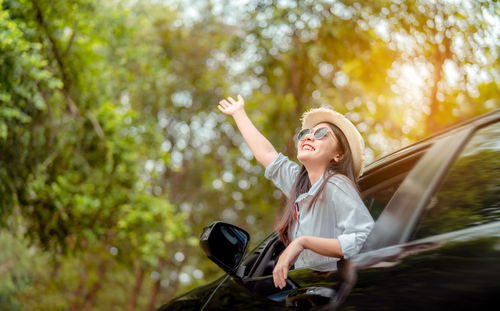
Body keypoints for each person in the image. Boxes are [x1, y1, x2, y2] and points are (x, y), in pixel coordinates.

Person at [217, 95, 374, 289]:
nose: (308, 136)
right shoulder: (301, 183)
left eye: (322, 133)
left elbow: (365, 239)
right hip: (310, 289)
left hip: (337, 289)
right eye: (306, 133)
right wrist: (239, 113)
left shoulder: (337, 183)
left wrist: (303, 242)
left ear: (338, 155)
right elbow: (266, 154)